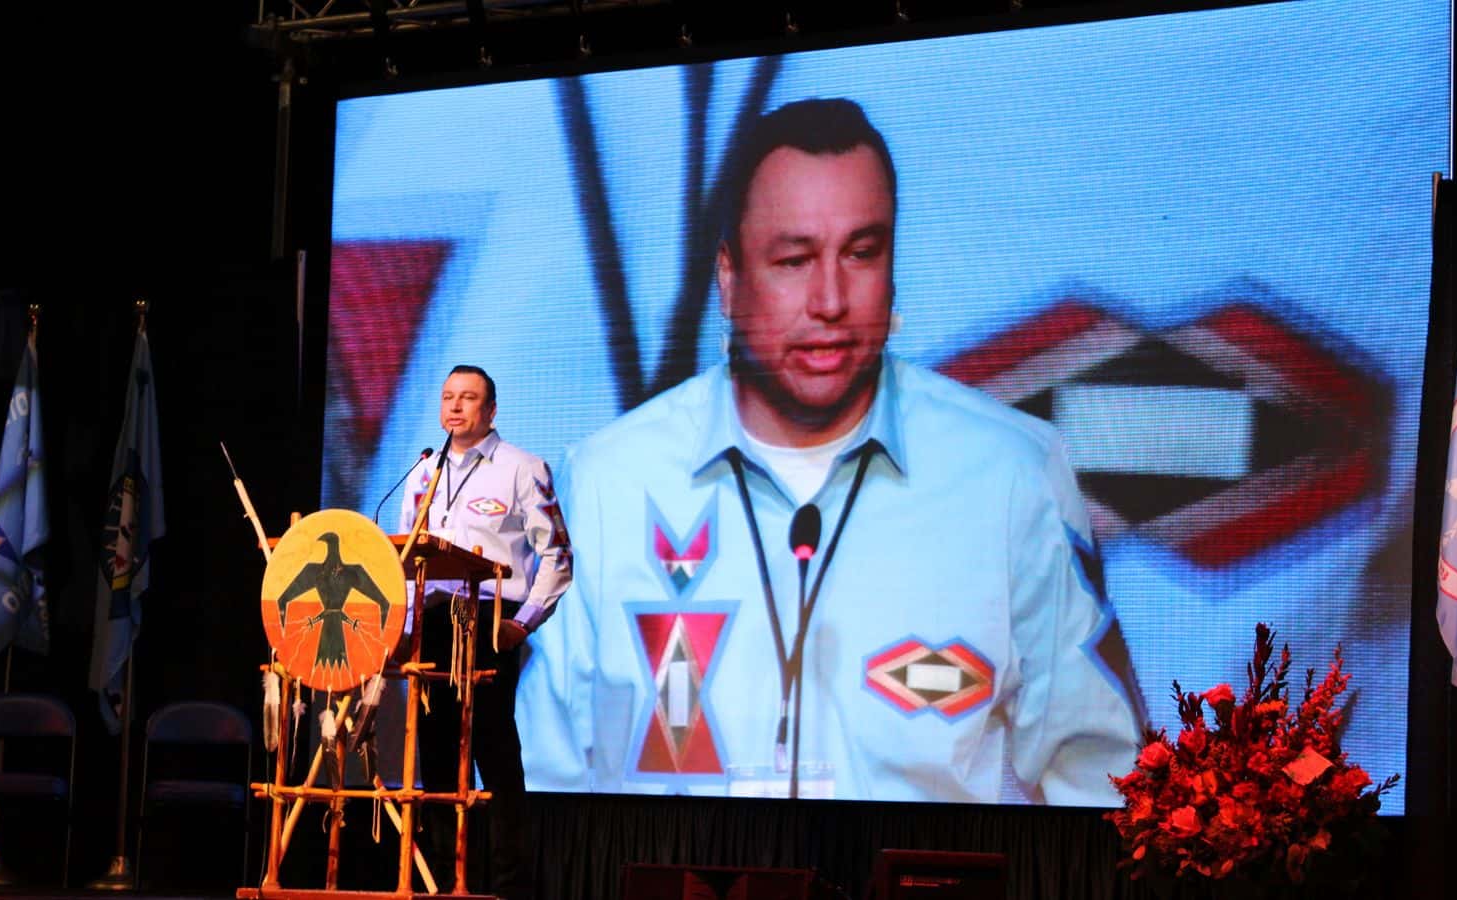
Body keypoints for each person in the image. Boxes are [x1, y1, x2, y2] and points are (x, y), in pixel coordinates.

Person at [519, 99, 1144, 804]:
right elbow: (538, 789)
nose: (830, 300)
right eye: (794, 260)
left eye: (861, 253)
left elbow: (1104, 786)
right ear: (728, 278)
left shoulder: (1010, 474)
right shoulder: (607, 484)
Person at [398, 364, 572, 899]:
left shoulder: (523, 469)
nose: (455, 406)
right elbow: (406, 558)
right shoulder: (423, 472)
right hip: (433, 622)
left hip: (489, 621)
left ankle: (507, 886)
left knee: (493, 754)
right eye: (448, 396)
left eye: (468, 398)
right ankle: (442, 884)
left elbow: (558, 555)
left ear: (490, 410)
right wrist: (404, 628)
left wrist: (523, 623)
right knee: (435, 756)